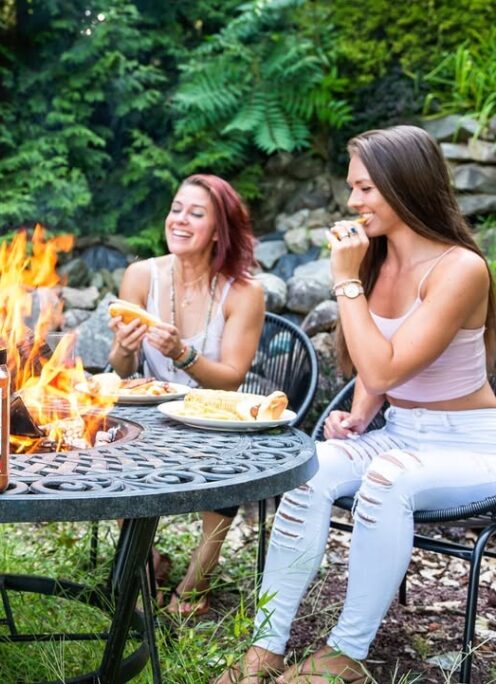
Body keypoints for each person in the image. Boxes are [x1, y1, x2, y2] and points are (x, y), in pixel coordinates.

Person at [218, 125, 496, 683]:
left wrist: (345, 282)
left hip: (470, 444)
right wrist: (364, 410)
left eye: (365, 188)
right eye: (353, 188)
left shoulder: (460, 268)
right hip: (403, 432)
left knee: (387, 477)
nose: (352, 202)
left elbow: (386, 365)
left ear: (404, 184)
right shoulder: (378, 257)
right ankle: (265, 647)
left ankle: (346, 653)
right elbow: (383, 360)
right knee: (307, 469)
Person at [108, 173, 265, 618]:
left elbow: (231, 380)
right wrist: (124, 347)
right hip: (152, 413)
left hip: (215, 415)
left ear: (219, 230)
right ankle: (144, 561)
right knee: (111, 441)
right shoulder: (142, 275)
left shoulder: (246, 292)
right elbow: (124, 371)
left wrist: (183, 352)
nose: (179, 220)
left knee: (233, 454)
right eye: (176, 208)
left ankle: (197, 582)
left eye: (196, 214)